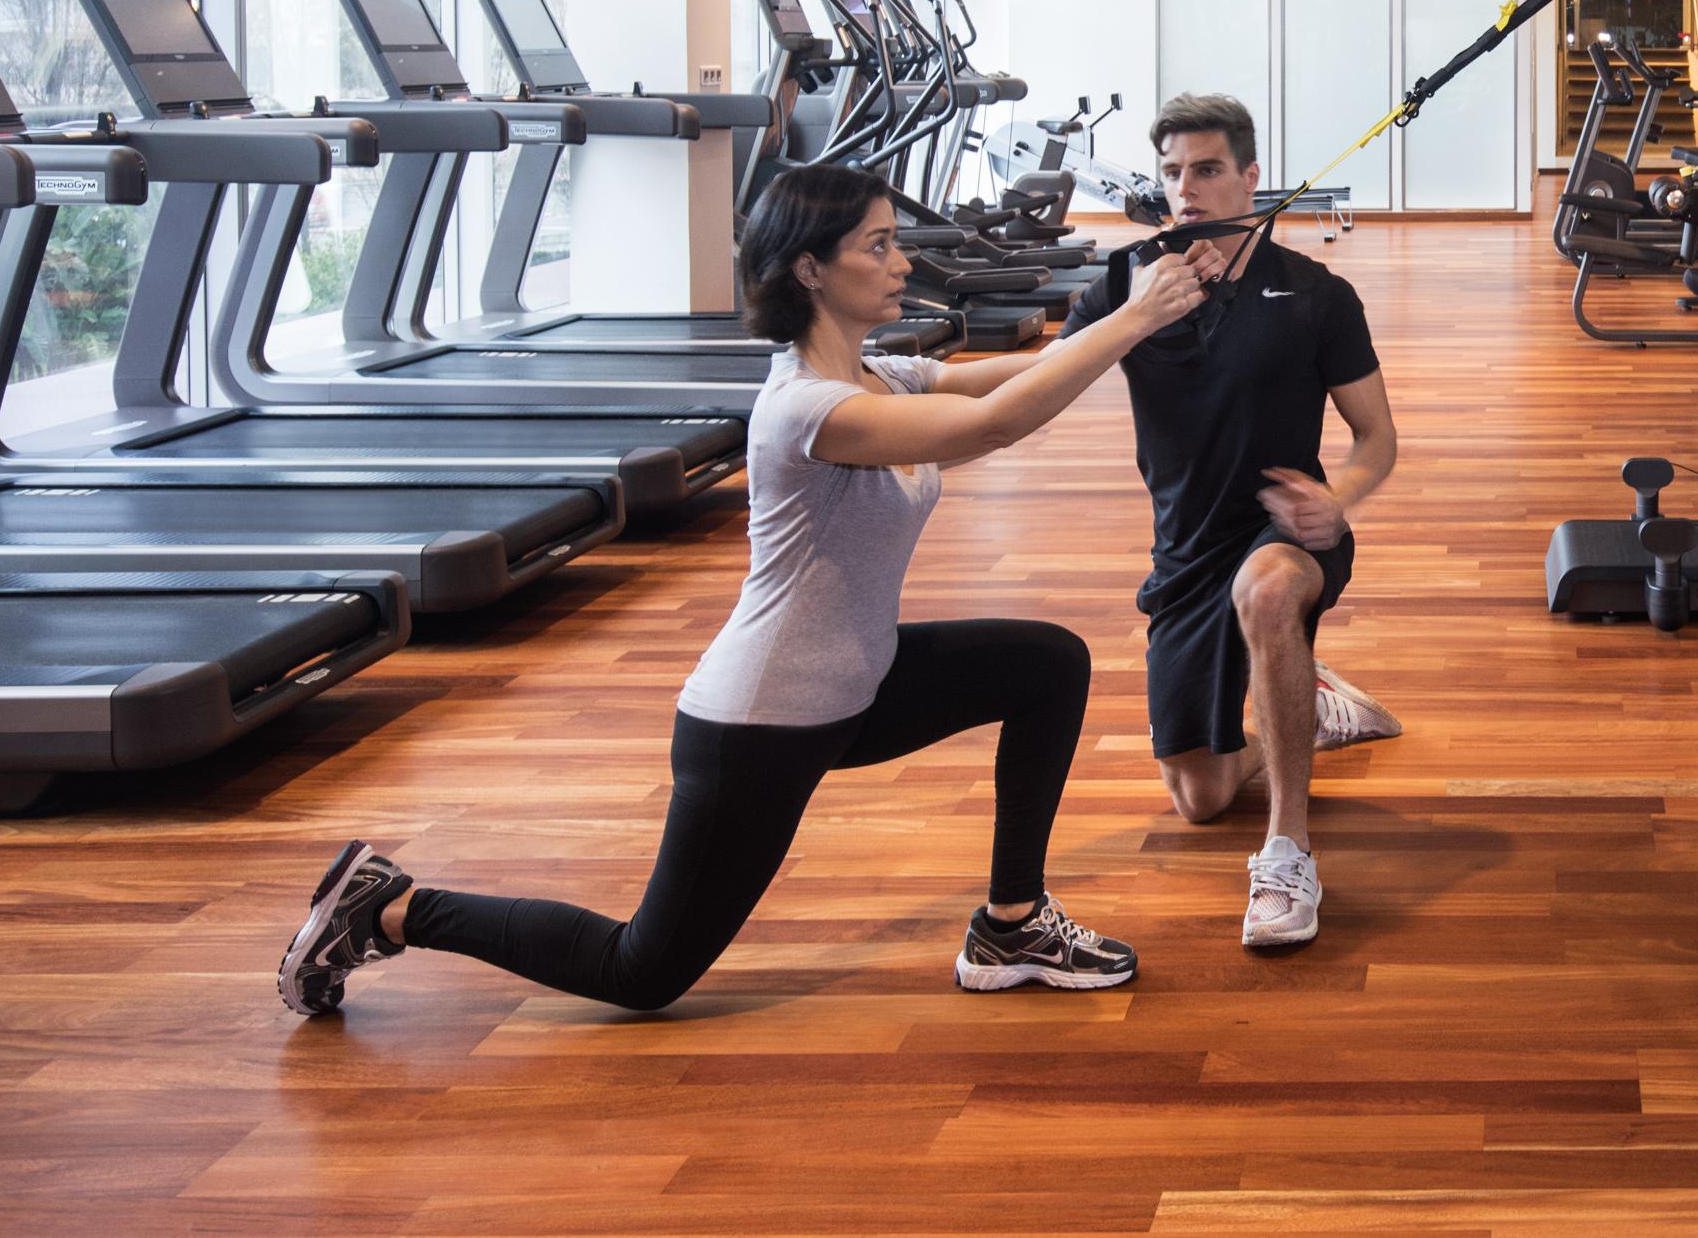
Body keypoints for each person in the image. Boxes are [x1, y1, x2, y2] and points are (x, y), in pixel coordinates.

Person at [275, 163, 1222, 1017]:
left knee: (1045, 663)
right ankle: (393, 907)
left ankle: (1011, 923)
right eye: (878, 245)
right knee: (640, 970)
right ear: (810, 269)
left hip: (858, 685)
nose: (901, 262)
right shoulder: (808, 409)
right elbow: (989, 430)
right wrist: (1135, 320)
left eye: (896, 240)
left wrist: (1134, 318)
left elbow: (999, 381)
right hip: (762, 723)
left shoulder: (872, 372)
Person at [1062, 92, 1399, 949]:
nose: (1187, 188)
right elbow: (1037, 383)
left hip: (1289, 530)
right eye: (1172, 172)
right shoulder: (1124, 280)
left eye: (1207, 169)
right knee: (1200, 797)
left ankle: (1288, 850)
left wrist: (1341, 497)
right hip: (1184, 551)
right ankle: (1307, 709)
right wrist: (900, 380)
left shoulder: (1317, 294)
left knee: (1269, 591)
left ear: (1251, 178)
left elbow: (1376, 438)